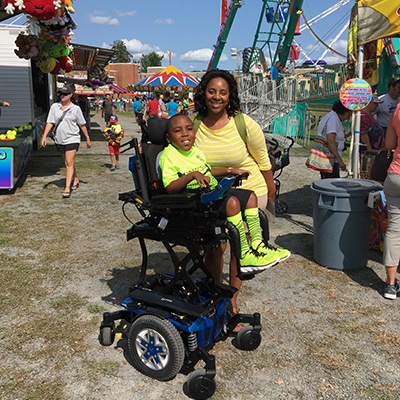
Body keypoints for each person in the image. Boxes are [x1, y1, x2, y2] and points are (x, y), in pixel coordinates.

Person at [193, 69, 290, 318]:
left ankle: (231, 301)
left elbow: (264, 162)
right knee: (215, 248)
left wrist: (270, 195)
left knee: (238, 246)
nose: (217, 97)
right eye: (212, 91)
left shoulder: (243, 123)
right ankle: (215, 291)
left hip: (249, 194)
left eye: (222, 92)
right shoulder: (194, 125)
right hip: (215, 196)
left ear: (230, 96)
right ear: (204, 93)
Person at [159, 114, 281, 273]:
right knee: (232, 203)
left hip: (213, 191)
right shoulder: (168, 155)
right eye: (178, 130)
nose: (185, 133)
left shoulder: (194, 151)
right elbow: (170, 187)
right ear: (169, 138)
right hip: (198, 199)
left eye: (189, 129)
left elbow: (208, 171)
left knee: (251, 197)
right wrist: (191, 175)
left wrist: (230, 170)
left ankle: (258, 244)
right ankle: (243, 253)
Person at [41, 85, 91, 198]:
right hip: (59, 139)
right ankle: (76, 179)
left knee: (69, 162)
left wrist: (87, 138)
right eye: (60, 94)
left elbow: (82, 124)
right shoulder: (55, 107)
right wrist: (44, 136)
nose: (62, 96)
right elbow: (50, 122)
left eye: (65, 94)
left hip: (72, 138)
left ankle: (67, 188)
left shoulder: (75, 109)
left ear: (70, 95)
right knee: (68, 162)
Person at [383, 104, 400, 299]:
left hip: (395, 175)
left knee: (394, 230)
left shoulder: (397, 109)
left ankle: (390, 285)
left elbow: (389, 145)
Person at [316, 100, 352, 179]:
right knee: (331, 184)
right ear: (343, 111)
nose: (348, 117)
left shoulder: (331, 116)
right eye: (348, 114)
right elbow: (330, 141)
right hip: (330, 159)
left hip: (327, 158)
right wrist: (339, 160)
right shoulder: (333, 119)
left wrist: (345, 135)